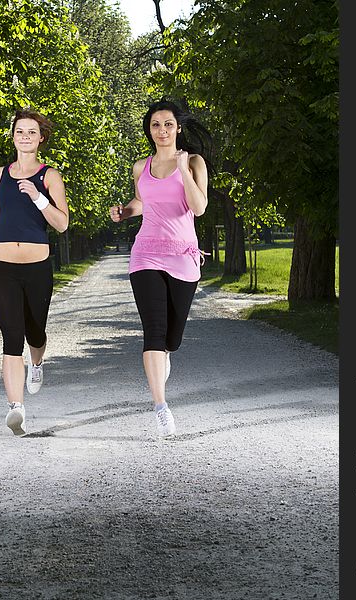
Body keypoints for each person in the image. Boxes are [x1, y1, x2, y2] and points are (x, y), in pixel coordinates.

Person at [109, 99, 213, 437]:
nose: (162, 130)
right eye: (156, 125)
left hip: (183, 256)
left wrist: (183, 170)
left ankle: (162, 362)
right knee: (153, 330)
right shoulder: (142, 167)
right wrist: (125, 211)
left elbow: (198, 208)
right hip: (146, 253)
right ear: (149, 130)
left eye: (168, 124)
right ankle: (160, 406)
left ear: (178, 128)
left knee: (171, 339)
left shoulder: (195, 162)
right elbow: (143, 201)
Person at [0, 108, 69, 436]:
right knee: (12, 336)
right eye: (19, 132)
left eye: (31, 132)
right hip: (3, 267)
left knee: (35, 332)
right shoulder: (1, 173)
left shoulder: (49, 176)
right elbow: (0, 202)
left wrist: (39, 197)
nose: (25, 137)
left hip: (37, 267)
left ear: (41, 138)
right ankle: (16, 409)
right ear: (13, 136)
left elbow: (62, 223)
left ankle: (38, 363)